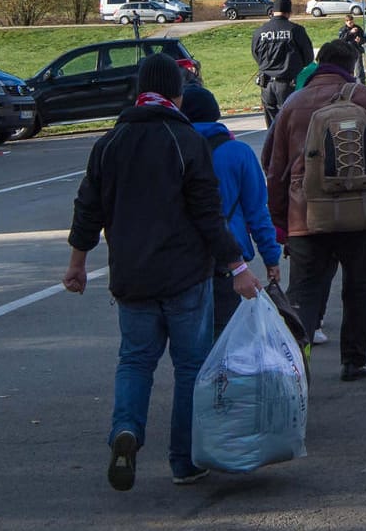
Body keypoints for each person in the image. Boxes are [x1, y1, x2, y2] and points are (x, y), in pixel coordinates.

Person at [63, 54, 257, 491]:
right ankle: (183, 462)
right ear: (178, 93)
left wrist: (77, 264)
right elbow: (209, 215)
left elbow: (87, 209)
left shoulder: (110, 142)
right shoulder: (185, 139)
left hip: (131, 276)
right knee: (190, 368)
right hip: (185, 275)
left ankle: (126, 431)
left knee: (134, 361)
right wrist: (238, 267)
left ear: (137, 91)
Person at [263, 39, 366, 383]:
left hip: (305, 214)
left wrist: (280, 223)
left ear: (318, 64)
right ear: (352, 65)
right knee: (358, 286)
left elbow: (273, 166)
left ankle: (296, 363)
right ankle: (353, 361)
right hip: (358, 210)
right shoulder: (365, 99)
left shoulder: (293, 104)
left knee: (304, 293)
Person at [182, 84, 284, 340]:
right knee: (225, 336)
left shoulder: (172, 149)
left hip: (180, 257)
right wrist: (271, 257)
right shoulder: (237, 152)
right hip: (228, 259)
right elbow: (257, 212)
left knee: (188, 340)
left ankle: (193, 378)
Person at [252, 0, 314, 128]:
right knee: (289, 127)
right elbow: (308, 57)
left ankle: (272, 147)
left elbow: (255, 54)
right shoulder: (296, 30)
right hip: (287, 83)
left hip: (266, 84)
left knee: (271, 129)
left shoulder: (260, 31)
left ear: (272, 11)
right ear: (289, 12)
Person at [338, 16, 366, 82]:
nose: (351, 24)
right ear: (346, 22)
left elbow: (365, 39)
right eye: (349, 23)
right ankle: (348, 81)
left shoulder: (358, 28)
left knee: (359, 67)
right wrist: (350, 32)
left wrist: (360, 40)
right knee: (348, 67)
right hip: (347, 51)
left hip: (357, 50)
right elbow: (341, 40)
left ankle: (361, 82)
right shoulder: (343, 30)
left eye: (352, 22)